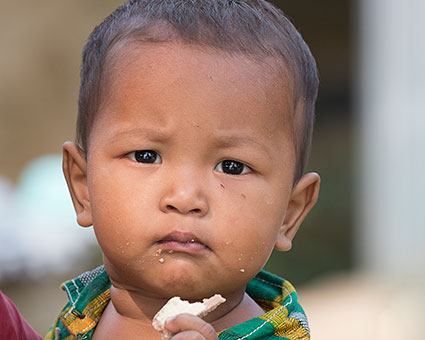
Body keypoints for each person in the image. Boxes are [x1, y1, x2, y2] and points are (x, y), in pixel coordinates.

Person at [46, 1, 320, 339]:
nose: (185, 197)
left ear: (289, 214)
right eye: (146, 156)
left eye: (231, 167)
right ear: (82, 186)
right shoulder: (78, 315)